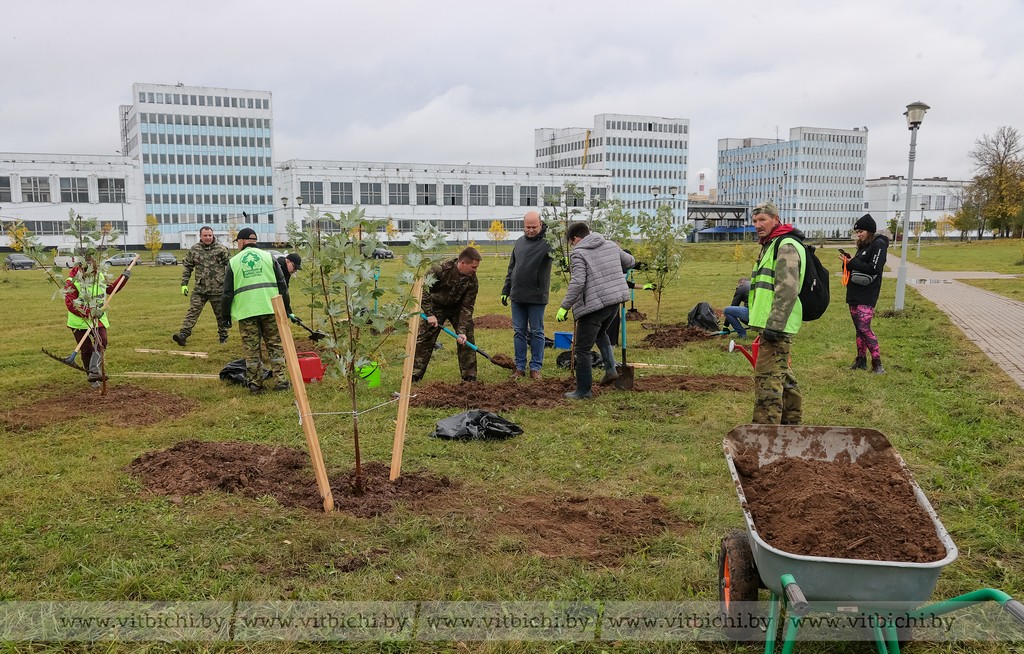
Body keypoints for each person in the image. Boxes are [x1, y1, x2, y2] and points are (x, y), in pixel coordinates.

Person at [556, 223, 635, 399]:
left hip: (594, 307)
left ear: (575, 238)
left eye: (571, 243)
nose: (572, 247)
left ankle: (584, 391)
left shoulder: (579, 253)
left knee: (582, 349)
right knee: (601, 333)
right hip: (614, 302)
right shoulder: (611, 245)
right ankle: (610, 369)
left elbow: (578, 283)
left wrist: (564, 307)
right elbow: (630, 262)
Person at [220, 228, 297, 394]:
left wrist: (225, 316)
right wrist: (287, 308)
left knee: (252, 349)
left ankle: (255, 385)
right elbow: (282, 285)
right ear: (254, 240)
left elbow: (227, 293)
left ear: (241, 241)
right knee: (275, 346)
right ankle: (281, 382)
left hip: (246, 311)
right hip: (270, 309)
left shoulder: (234, 262)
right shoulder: (269, 257)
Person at [748, 201, 805, 425]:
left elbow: (788, 288)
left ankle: (764, 437)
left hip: (777, 325)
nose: (758, 225)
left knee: (767, 382)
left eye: (763, 220)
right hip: (772, 324)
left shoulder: (786, 245)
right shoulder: (771, 244)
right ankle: (792, 426)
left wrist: (774, 324)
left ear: (776, 219)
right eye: (754, 221)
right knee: (783, 376)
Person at [63, 252, 133, 387]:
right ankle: (92, 378)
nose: (91, 271)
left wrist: (123, 279)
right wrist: (90, 313)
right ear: (80, 268)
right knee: (87, 349)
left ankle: (94, 369)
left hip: (98, 319)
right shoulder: (71, 282)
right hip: (79, 321)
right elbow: (71, 304)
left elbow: (111, 289)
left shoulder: (99, 276)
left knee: (102, 341)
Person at [413, 247, 482, 383]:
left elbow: (467, 306)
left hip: (457, 308)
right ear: (463, 263)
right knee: (424, 339)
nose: (475, 270)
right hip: (435, 305)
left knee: (467, 337)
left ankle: (469, 376)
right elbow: (423, 290)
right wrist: (429, 314)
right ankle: (414, 375)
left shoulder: (472, 280)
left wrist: (461, 331)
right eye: (473, 267)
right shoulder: (440, 269)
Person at [501, 211, 552, 380]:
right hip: (517, 295)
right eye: (527, 227)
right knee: (519, 332)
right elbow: (512, 268)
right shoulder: (520, 242)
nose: (530, 230)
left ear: (541, 224)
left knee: (537, 332)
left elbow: (560, 254)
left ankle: (535, 368)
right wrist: (505, 290)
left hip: (537, 296)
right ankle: (519, 367)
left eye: (534, 227)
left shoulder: (548, 243)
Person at [841, 214, 889, 374]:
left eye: (860, 231)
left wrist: (852, 262)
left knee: (864, 327)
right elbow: (858, 266)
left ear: (869, 230)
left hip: (867, 294)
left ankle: (878, 364)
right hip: (855, 292)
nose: (858, 234)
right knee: (859, 328)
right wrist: (847, 262)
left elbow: (874, 268)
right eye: (857, 232)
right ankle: (861, 360)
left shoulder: (879, 244)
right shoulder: (863, 246)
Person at [174, 226, 231, 346]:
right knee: (193, 311)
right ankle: (183, 335)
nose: (208, 237)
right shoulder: (194, 250)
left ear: (213, 235)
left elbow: (231, 267)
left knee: (221, 315)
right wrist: (184, 284)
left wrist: (229, 285)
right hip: (200, 289)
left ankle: (223, 337)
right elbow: (188, 267)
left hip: (218, 289)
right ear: (200, 236)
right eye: (205, 235)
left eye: (210, 235)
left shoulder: (221, 249)